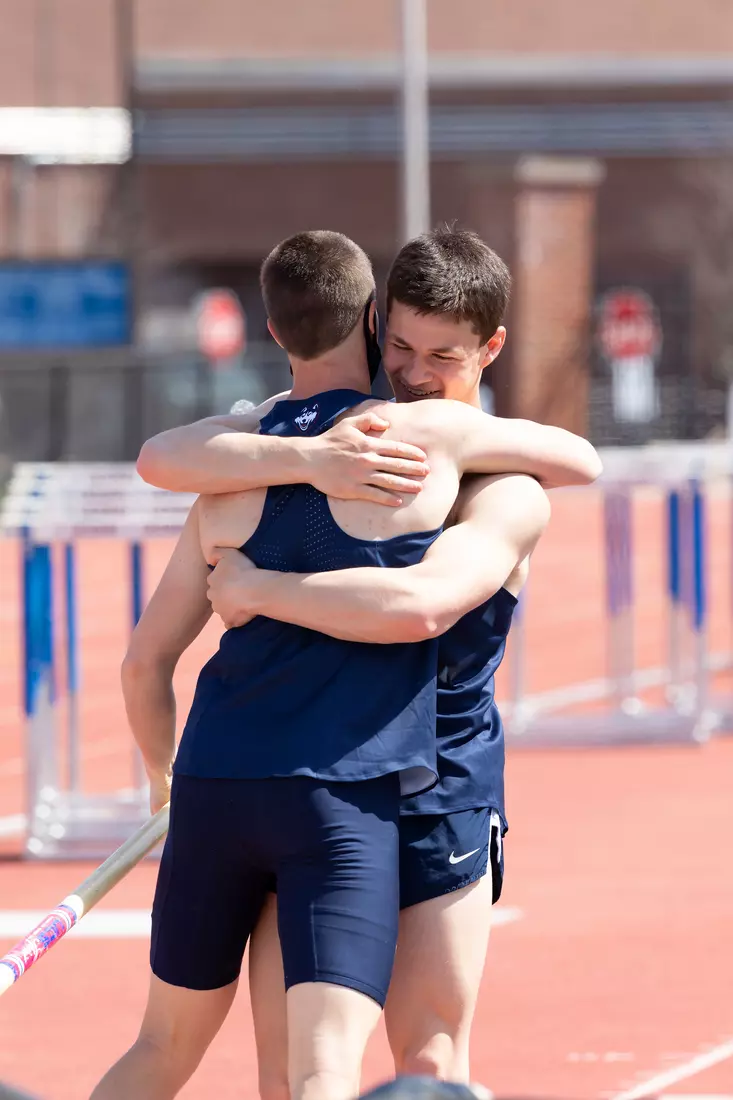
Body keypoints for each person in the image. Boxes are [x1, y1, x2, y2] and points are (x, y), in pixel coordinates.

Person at [98, 228, 600, 1100]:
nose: (409, 371)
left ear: (489, 348)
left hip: (439, 786)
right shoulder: (327, 442)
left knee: (430, 1057)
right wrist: (304, 456)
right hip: (325, 787)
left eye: (439, 355)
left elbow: (424, 604)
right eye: (397, 345)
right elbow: (168, 457)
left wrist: (256, 587)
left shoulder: (499, 482)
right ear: (373, 327)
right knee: (292, 1074)